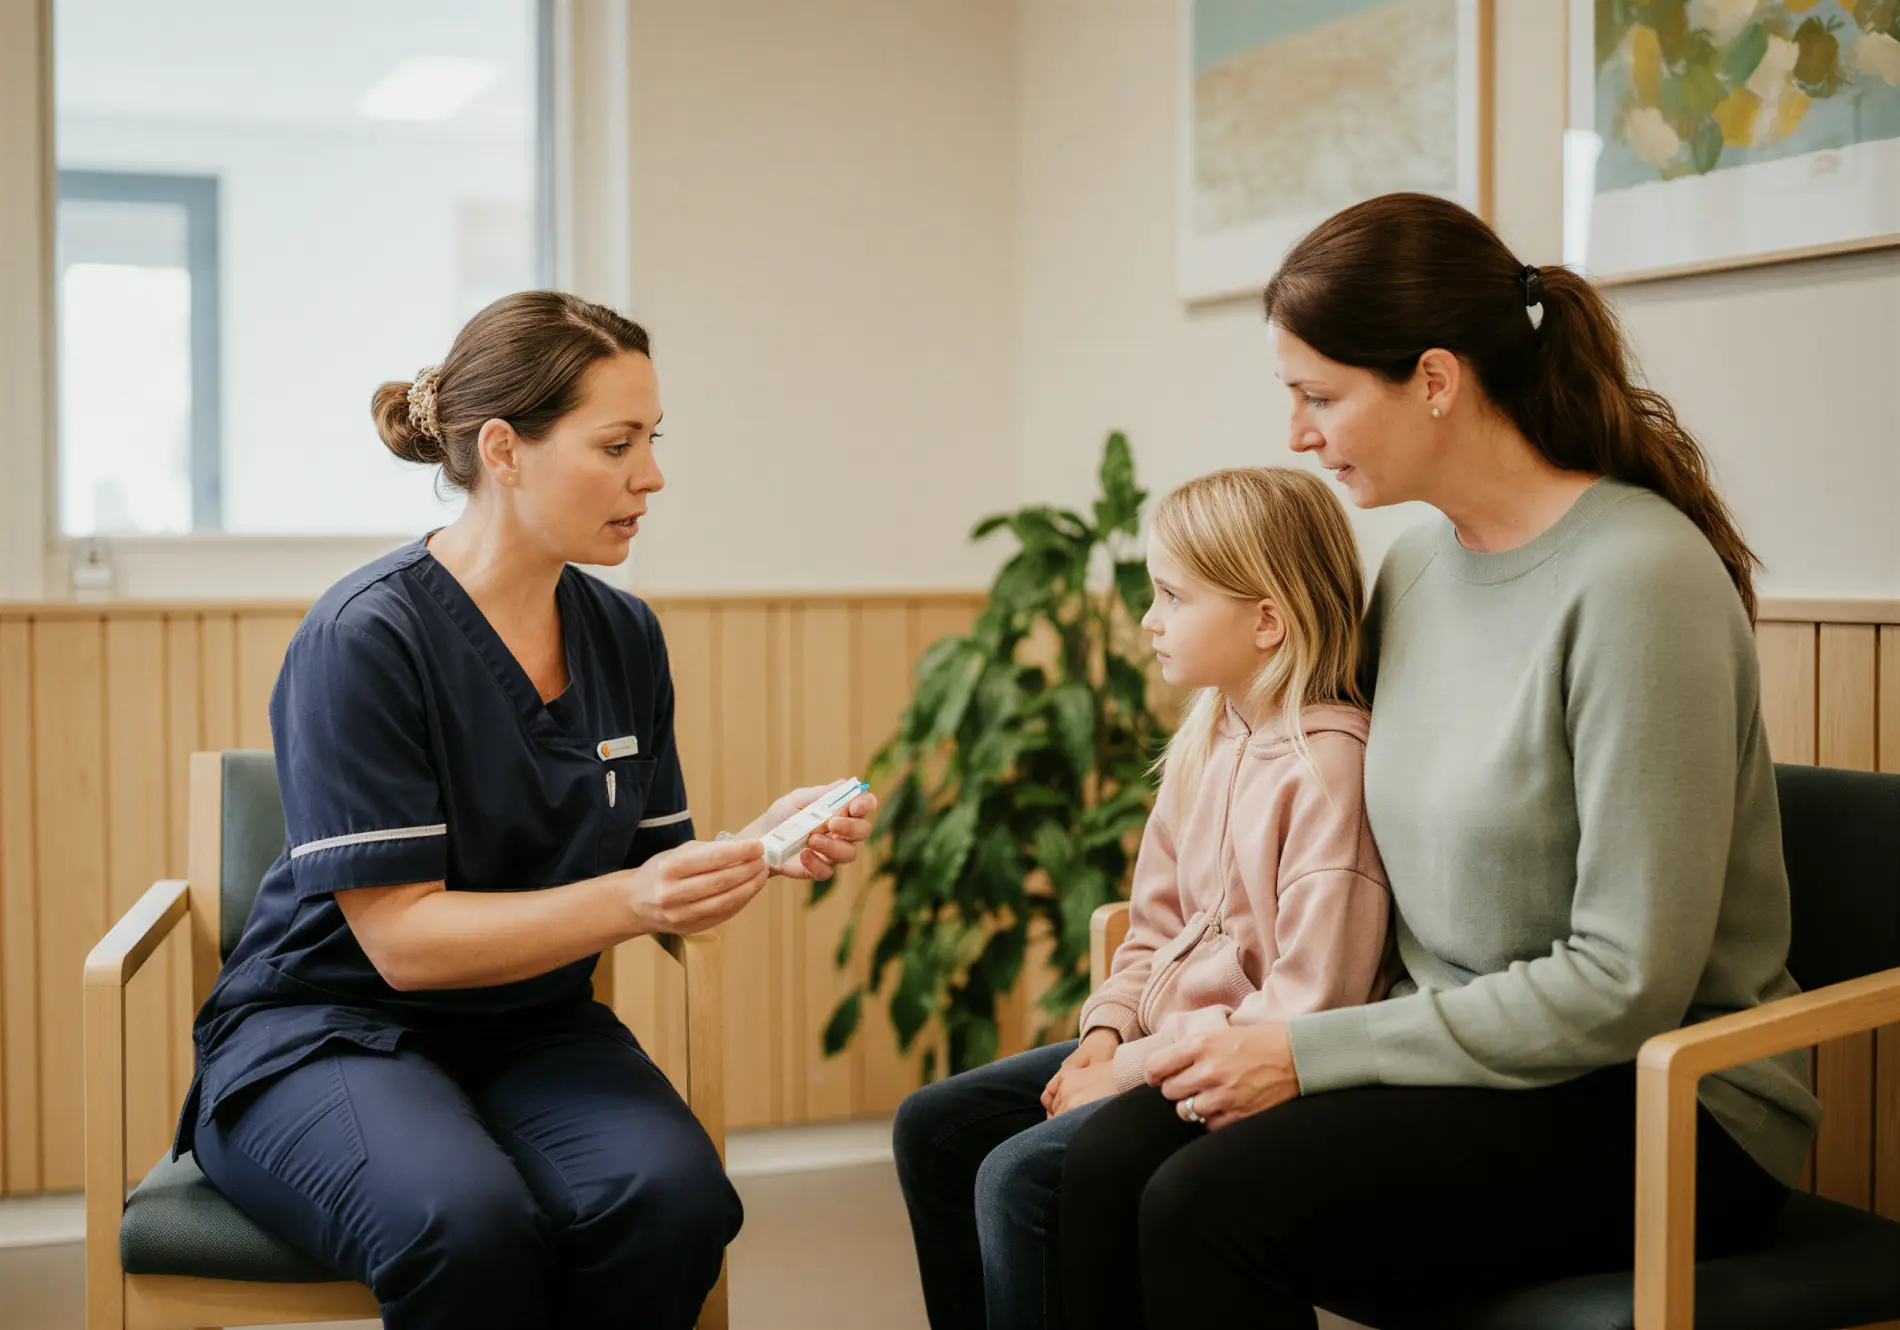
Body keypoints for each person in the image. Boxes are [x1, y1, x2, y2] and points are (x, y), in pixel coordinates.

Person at [1057, 193, 1822, 1330]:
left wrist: (1308, 1050)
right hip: (1443, 1050)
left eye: (1319, 397)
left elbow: (1622, 984)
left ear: (1433, 378)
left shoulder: (1639, 582)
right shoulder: (1413, 572)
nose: (1297, 436)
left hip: (1654, 1097)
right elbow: (1300, 791)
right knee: (1102, 1159)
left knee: (1200, 1205)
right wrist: (1181, 1017)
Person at [177, 291, 877, 1330]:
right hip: (327, 1034)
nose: (652, 475)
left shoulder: (623, 635)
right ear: (503, 450)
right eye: (617, 443)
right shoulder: (365, 637)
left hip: (531, 1029)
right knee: (463, 1220)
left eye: (652, 439)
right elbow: (406, 943)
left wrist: (756, 846)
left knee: (673, 1201)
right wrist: (637, 897)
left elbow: (652, 880)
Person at [893, 467, 1394, 1330]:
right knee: (934, 1126)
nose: (1148, 621)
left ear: (1267, 620)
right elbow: (1152, 928)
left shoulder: (1328, 770)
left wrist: (1121, 1073)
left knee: (1020, 1180)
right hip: (1158, 1047)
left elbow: (1307, 1009)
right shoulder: (1210, 732)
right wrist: (1103, 1036)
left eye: (1172, 597)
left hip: (1250, 1072)